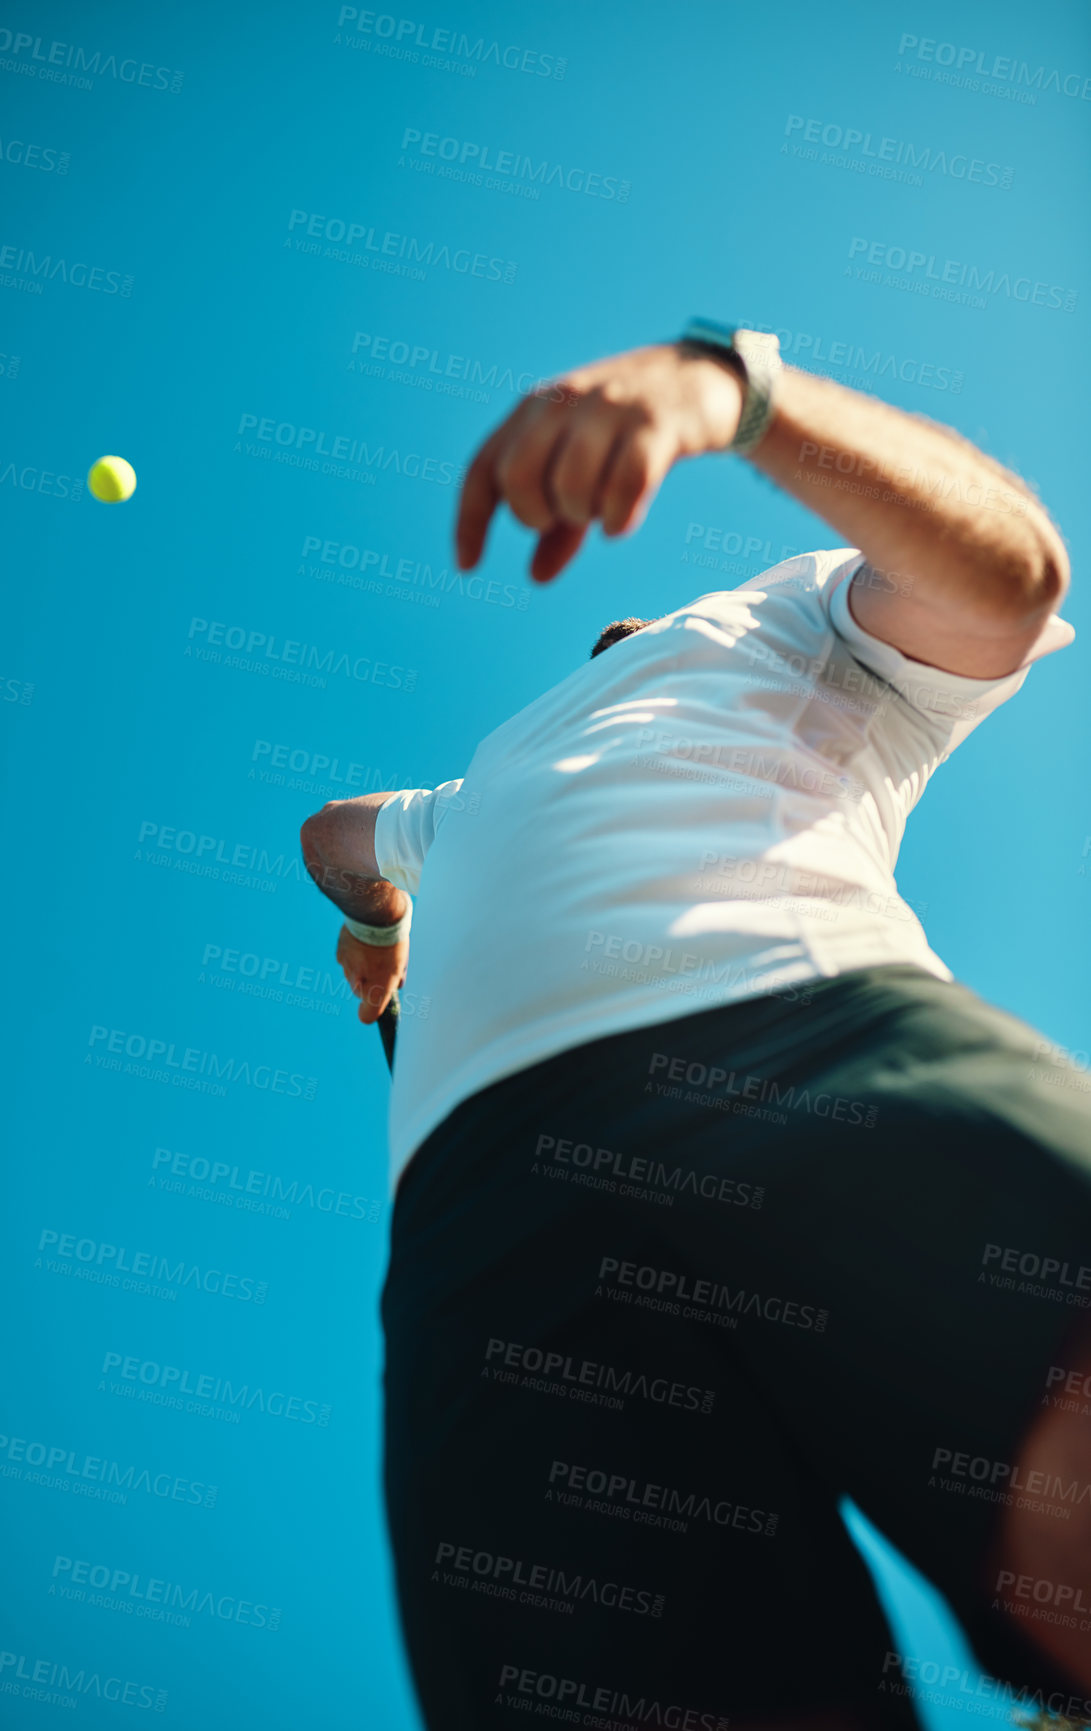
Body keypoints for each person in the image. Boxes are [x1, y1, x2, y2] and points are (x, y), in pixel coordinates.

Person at [300, 332, 1091, 1731]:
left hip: (803, 1052)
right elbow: (330, 835)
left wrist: (733, 390)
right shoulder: (477, 786)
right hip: (484, 1222)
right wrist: (377, 927)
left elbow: (1012, 581)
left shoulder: (791, 618)